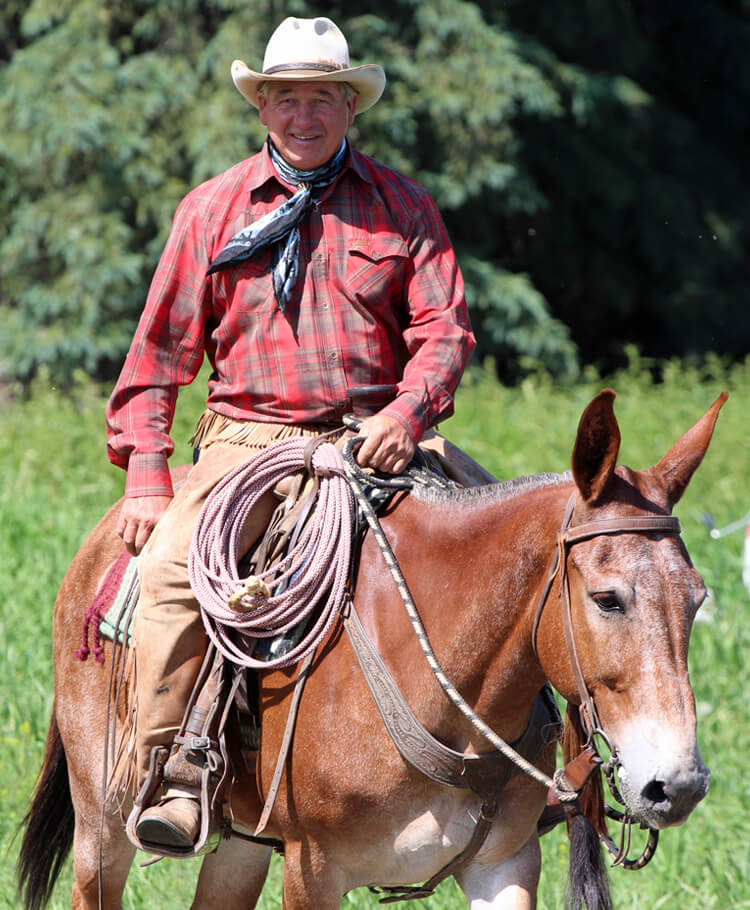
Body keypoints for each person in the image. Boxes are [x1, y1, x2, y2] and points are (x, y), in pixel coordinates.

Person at [106, 15, 492, 856]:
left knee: (507, 552)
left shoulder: (402, 206)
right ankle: (173, 771)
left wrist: (406, 412)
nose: (304, 116)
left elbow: (445, 332)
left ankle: (527, 759)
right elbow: (159, 351)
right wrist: (146, 471)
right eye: (287, 99)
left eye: (323, 98)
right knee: (173, 572)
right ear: (263, 108)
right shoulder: (212, 209)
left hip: (378, 437)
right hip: (248, 442)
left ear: (351, 106)